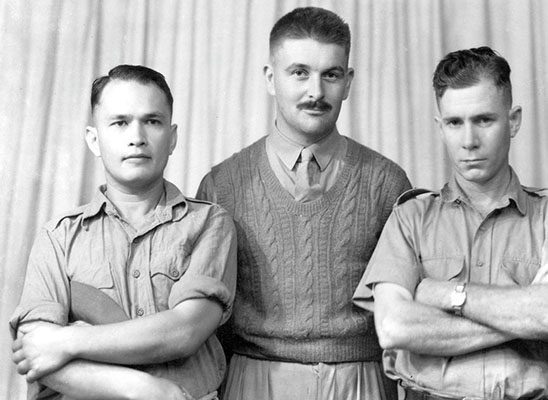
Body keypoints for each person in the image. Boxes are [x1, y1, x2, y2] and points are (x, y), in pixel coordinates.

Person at [353, 46, 548, 400]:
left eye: (484, 120)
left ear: (514, 120)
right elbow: (394, 327)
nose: (469, 141)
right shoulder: (410, 218)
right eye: (454, 123)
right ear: (440, 127)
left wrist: (444, 294)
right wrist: (529, 312)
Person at [196, 7, 411, 400]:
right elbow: (207, 321)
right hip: (254, 379)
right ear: (270, 78)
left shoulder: (387, 182)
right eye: (299, 72)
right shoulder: (222, 184)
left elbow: (407, 317)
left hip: (360, 382)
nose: (316, 91)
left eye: (330, 74)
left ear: (347, 82)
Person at [10, 65, 237, 400]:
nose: (137, 137)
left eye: (152, 121)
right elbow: (34, 351)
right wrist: (145, 388)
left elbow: (185, 330)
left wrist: (66, 340)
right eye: (119, 122)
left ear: (172, 137)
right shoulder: (59, 237)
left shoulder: (209, 223)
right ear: (94, 139)